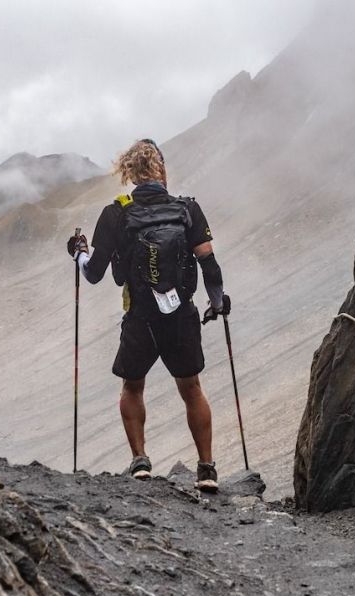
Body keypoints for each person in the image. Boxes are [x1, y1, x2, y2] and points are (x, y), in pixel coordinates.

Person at [66, 138, 230, 492]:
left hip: (140, 315)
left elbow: (93, 273)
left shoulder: (116, 214)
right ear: (161, 169)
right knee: (191, 388)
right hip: (182, 317)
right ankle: (206, 469)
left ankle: (140, 461)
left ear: (128, 172)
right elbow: (209, 263)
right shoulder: (188, 209)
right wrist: (217, 302)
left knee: (132, 386)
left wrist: (78, 253)